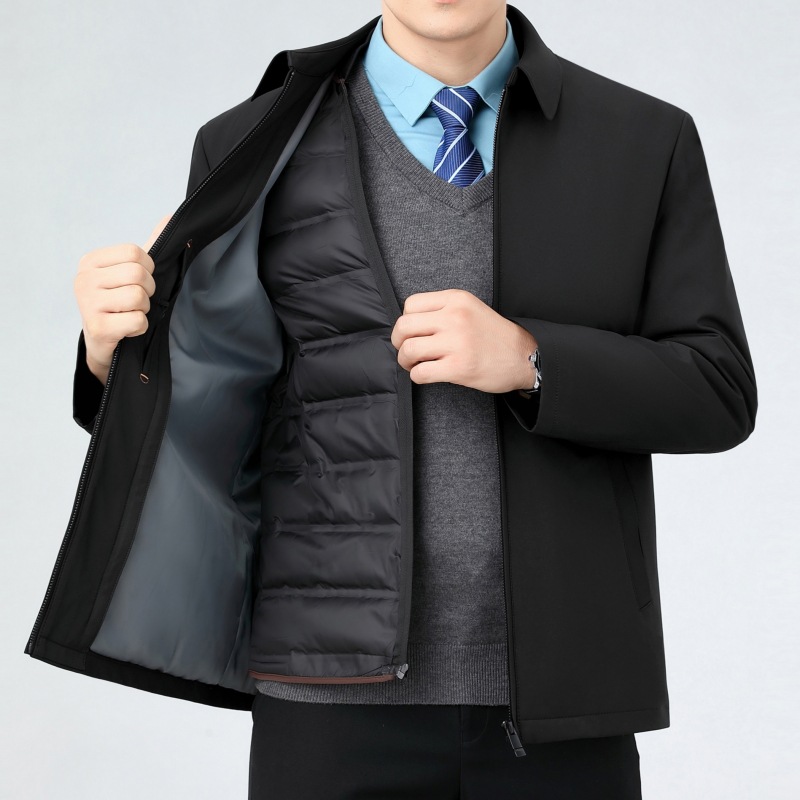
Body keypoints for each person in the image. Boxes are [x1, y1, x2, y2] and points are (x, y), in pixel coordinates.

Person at [25, 2, 758, 798]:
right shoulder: (248, 143)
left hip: (564, 694)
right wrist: (113, 356)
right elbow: (216, 417)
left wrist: (530, 360)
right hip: (326, 702)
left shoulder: (642, 140)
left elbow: (717, 387)